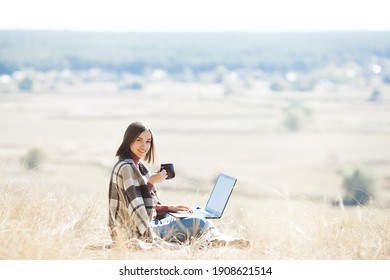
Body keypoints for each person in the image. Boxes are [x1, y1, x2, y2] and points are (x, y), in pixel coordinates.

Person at [108, 121, 250, 249]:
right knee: (199, 222)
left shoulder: (139, 167)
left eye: (148, 141)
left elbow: (142, 206)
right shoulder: (126, 168)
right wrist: (151, 182)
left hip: (152, 222)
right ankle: (219, 241)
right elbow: (138, 213)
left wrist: (168, 208)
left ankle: (220, 239)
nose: (144, 146)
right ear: (129, 140)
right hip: (135, 231)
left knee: (201, 219)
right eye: (139, 140)